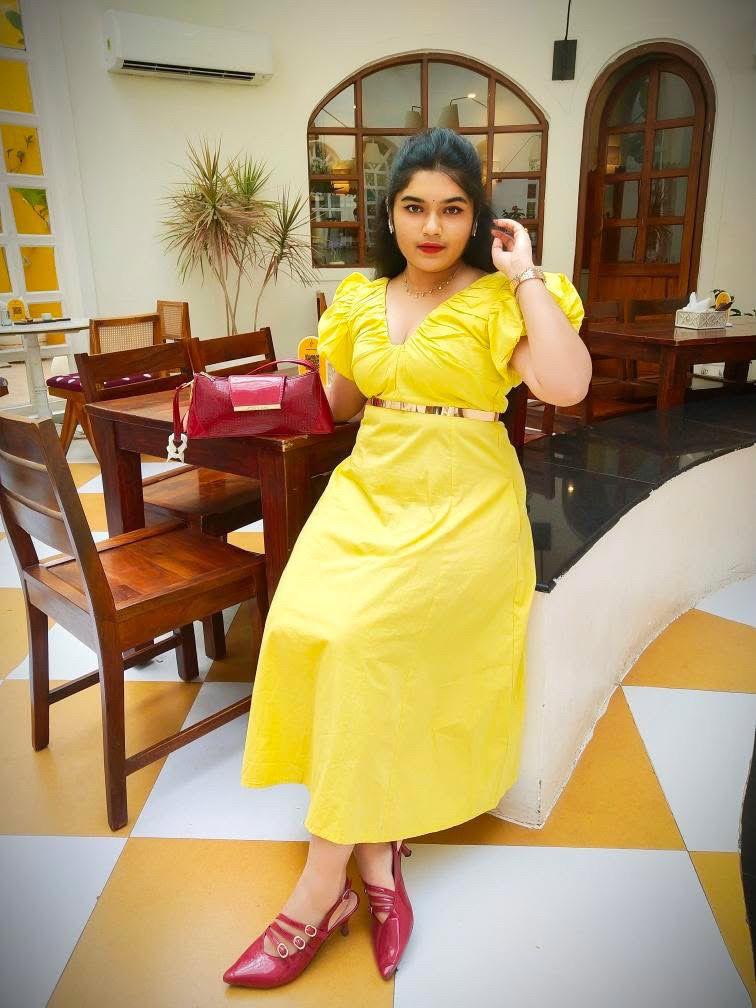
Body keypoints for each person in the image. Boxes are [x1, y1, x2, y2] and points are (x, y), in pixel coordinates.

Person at [223, 127, 592, 990]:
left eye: (453, 209)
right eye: (415, 207)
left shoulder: (504, 298)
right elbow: (347, 398)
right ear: (390, 214)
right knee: (308, 622)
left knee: (363, 646)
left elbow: (567, 386)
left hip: (464, 500)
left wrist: (526, 273)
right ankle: (380, 858)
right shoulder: (358, 295)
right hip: (370, 488)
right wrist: (297, 373)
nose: (433, 226)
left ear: (478, 220)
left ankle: (321, 893)